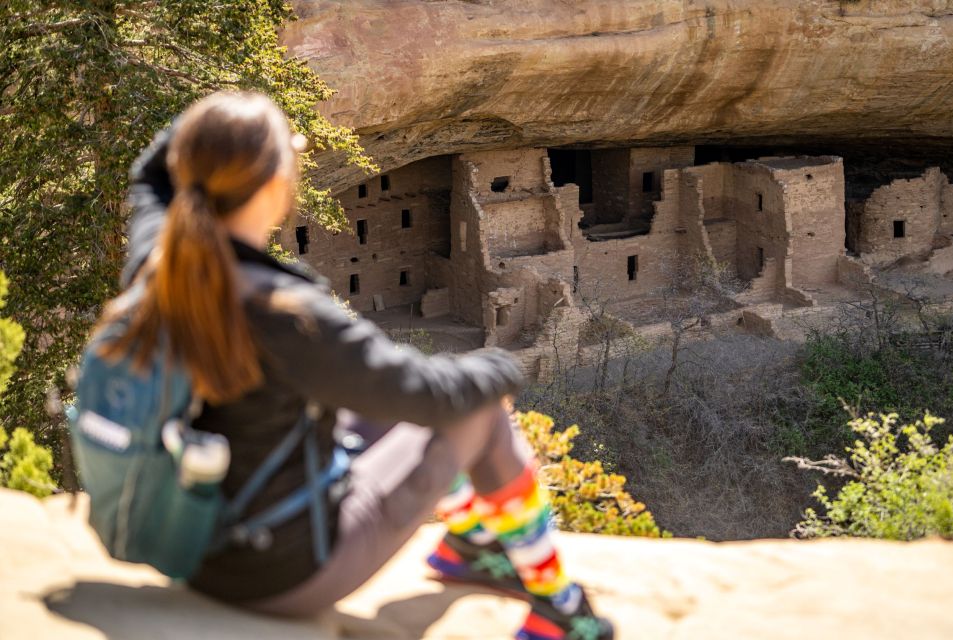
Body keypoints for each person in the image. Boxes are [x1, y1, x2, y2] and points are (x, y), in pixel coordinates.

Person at [116, 90, 614, 640]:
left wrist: (219, 130)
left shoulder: (156, 259)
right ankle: (560, 608)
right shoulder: (287, 313)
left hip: (190, 541)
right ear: (278, 187)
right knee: (476, 409)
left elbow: (150, 175)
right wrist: (502, 367)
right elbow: (422, 392)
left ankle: (475, 542)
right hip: (275, 569)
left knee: (376, 413)